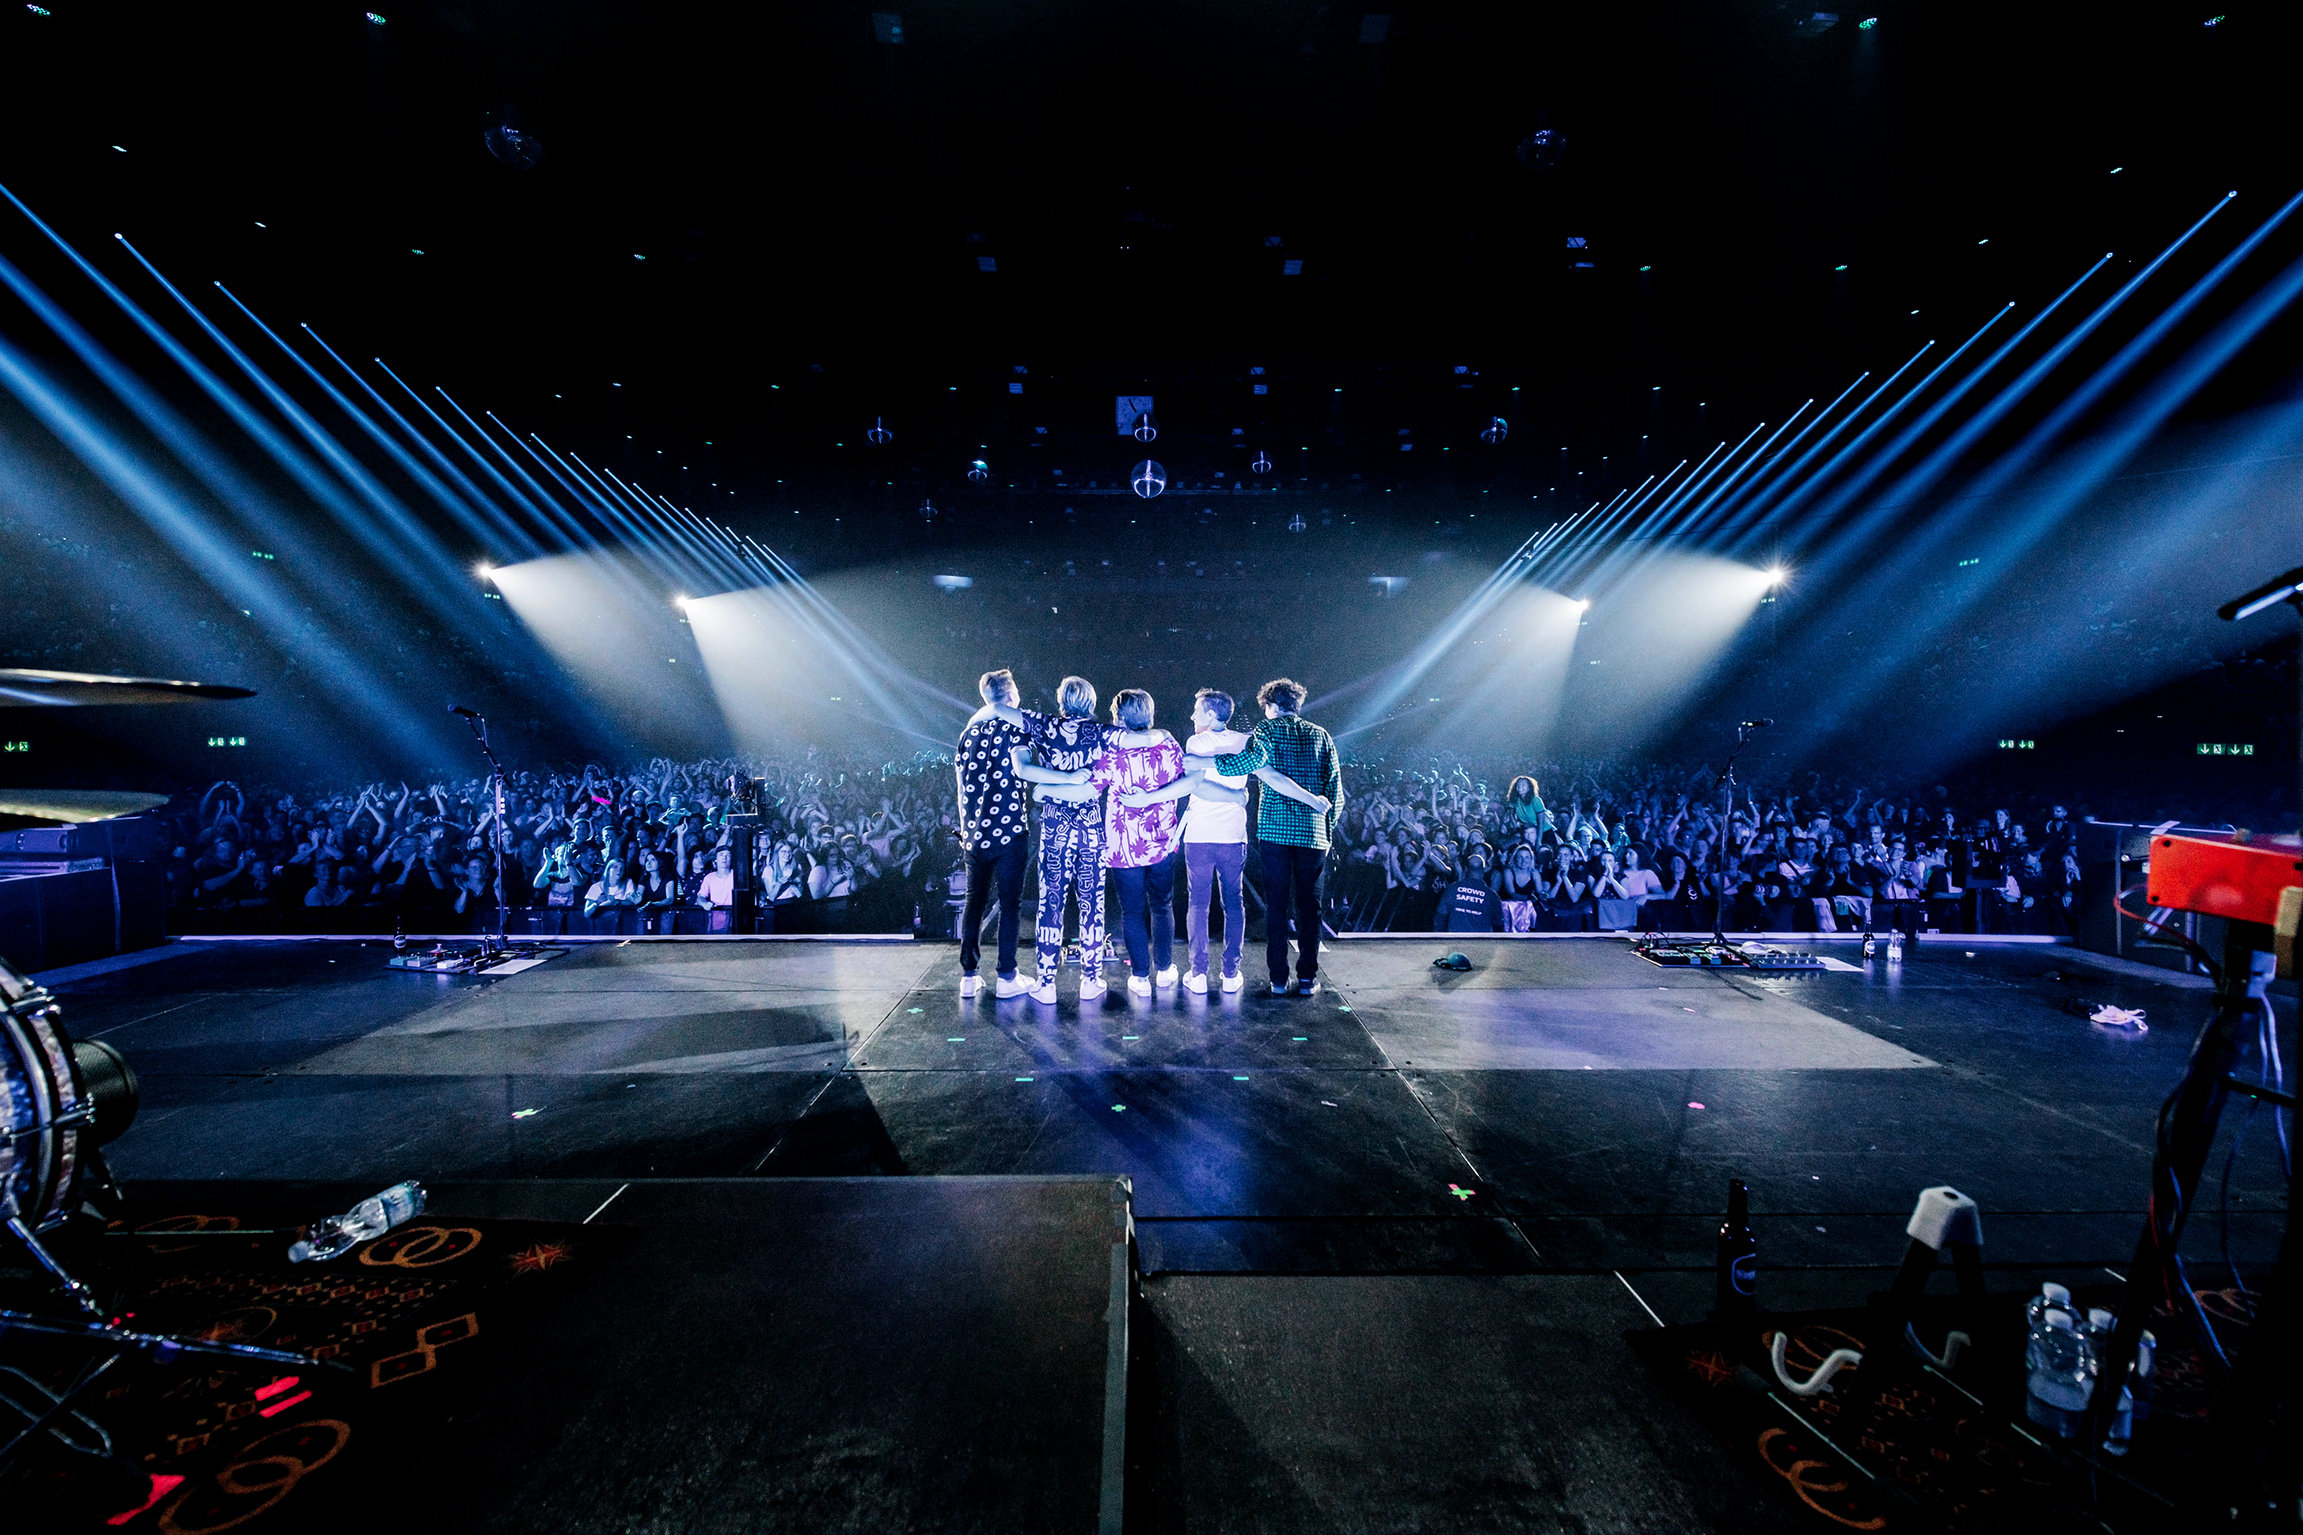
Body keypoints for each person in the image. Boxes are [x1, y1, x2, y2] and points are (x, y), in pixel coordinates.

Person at [1119, 688, 1325, 993]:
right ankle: (1230, 974)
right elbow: (1269, 777)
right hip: (1233, 836)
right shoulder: (1245, 742)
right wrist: (1238, 796)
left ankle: (1199, 974)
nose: (1192, 715)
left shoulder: (1197, 743)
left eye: (1197, 710)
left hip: (1200, 835)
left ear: (1211, 715)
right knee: (1234, 903)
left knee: (1198, 905)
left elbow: (1197, 788)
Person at [1210, 678, 1342, 996]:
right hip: (1313, 834)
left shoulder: (1267, 731)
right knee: (1310, 908)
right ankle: (1308, 978)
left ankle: (1279, 979)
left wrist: (1215, 761)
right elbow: (1335, 790)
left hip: (1275, 832)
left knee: (1278, 907)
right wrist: (1327, 827)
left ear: (1270, 705)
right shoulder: (1321, 736)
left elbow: (1251, 762)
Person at [1003, 675, 1110, 1004]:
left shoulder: (1043, 725)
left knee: (1051, 903)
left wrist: (1046, 788)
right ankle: (1090, 979)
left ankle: (1046, 982)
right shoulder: (1103, 733)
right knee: (1092, 902)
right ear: (1091, 702)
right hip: (1091, 824)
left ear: (1061, 700)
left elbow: (999, 709)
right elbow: (1096, 785)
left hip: (1054, 826)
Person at [1089, 689, 1186, 995]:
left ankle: (1141, 977)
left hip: (1123, 844)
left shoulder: (1111, 748)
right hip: (1161, 840)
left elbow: (1092, 785)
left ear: (1119, 717)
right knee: (1161, 905)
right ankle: (1166, 969)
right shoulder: (1168, 743)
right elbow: (1184, 780)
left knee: (1131, 912)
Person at [954, 668, 1037, 998]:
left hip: (974, 833)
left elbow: (961, 784)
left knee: (974, 901)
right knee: (1009, 904)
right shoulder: (1015, 727)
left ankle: (969, 977)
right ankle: (1006, 976)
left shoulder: (967, 733)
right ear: (1010, 693)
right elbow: (1025, 769)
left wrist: (965, 827)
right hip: (1009, 830)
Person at [1441, 846, 1504, 932]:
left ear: (1466, 869)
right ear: (1484, 869)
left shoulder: (1452, 889)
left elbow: (1440, 917)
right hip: (1480, 943)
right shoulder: (1492, 896)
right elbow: (1499, 926)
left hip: (1454, 942)